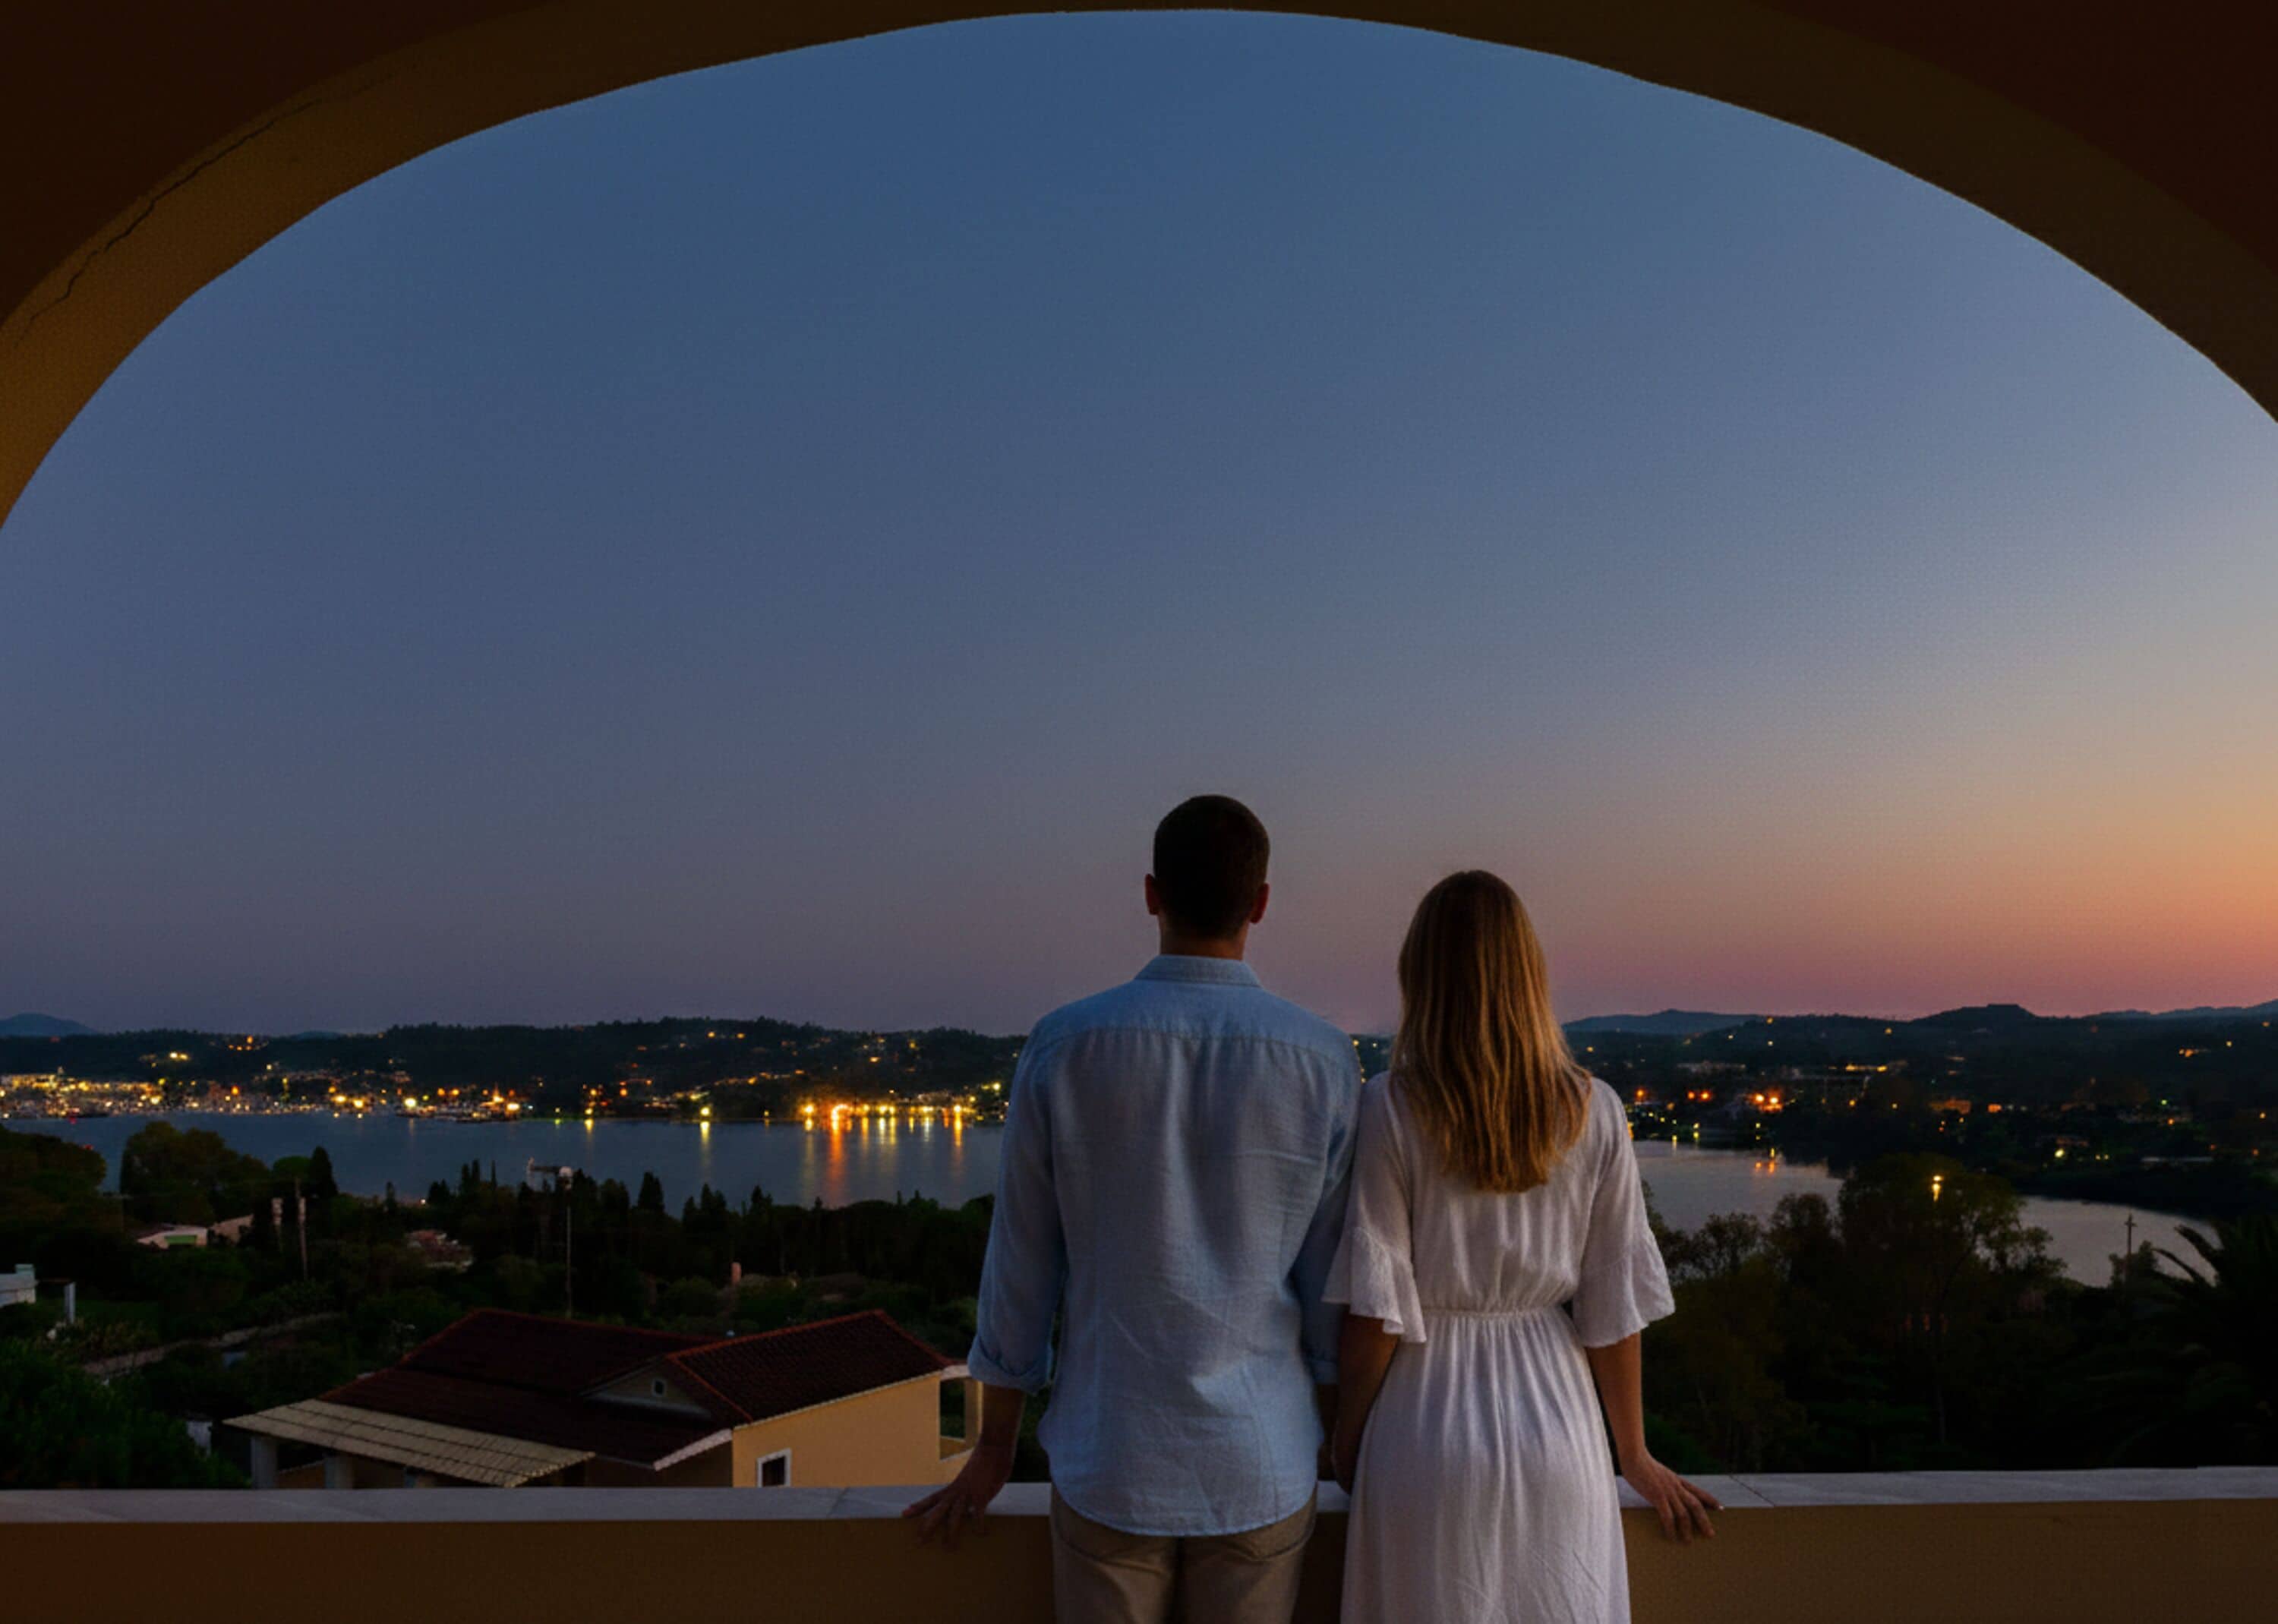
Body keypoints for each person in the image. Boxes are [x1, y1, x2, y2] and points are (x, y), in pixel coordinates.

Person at [906, 794, 1360, 1624]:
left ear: (1151, 894)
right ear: (1261, 902)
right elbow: (1334, 1283)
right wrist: (1338, 1439)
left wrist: (993, 1450)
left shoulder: (1065, 1045)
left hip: (1110, 1455)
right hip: (1262, 1462)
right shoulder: (1323, 1060)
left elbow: (1021, 1266)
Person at [1327, 870, 1716, 1624]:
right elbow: (1614, 1304)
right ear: (1529, 975)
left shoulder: (1391, 1104)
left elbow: (1378, 1307)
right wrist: (1631, 1453)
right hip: (1560, 1425)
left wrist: (1348, 1440)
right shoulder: (1594, 1109)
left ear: (1422, 973)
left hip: (1423, 1423)